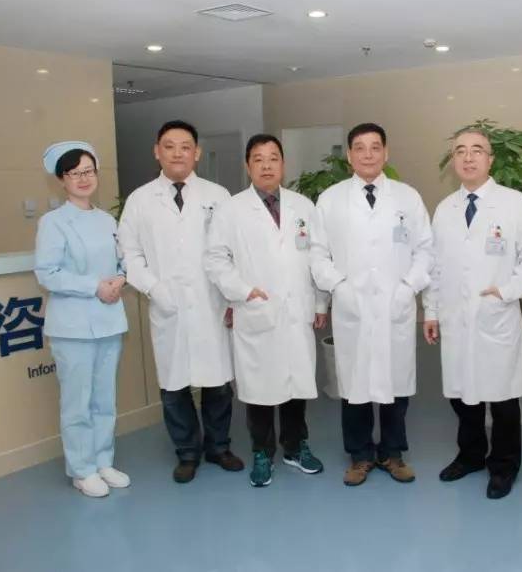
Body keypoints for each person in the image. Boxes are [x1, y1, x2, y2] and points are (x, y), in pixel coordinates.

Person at [423, 128, 522, 499]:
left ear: (490, 159)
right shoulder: (445, 209)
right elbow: (434, 267)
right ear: (453, 160)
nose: (468, 157)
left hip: (497, 315)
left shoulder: (513, 204)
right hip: (455, 317)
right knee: (462, 394)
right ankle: (471, 455)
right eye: (460, 151)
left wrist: (507, 291)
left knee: (503, 397)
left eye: (477, 150)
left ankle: (504, 465)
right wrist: (431, 311)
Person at [118, 120, 243, 483]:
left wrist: (232, 295)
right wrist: (154, 288)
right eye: (169, 146)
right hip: (167, 305)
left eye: (185, 147)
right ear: (157, 152)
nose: (177, 153)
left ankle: (218, 447)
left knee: (218, 383)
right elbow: (129, 254)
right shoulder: (140, 200)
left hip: (212, 302)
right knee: (174, 385)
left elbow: (234, 251)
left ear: (197, 153)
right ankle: (187, 452)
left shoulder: (218, 195)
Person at [310, 122, 433, 486]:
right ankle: (360, 456)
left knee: (396, 383)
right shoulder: (330, 199)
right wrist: (339, 287)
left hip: (396, 304)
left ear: (386, 153)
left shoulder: (407, 197)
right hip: (352, 306)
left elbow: (425, 249)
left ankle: (393, 454)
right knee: (355, 386)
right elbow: (317, 254)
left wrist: (408, 287)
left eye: (375, 147)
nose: (368, 154)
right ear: (349, 155)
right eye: (360, 148)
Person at [205, 134, 328, 487]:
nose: (267, 165)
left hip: (297, 310)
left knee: (296, 384)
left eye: (273, 158)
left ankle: (296, 447)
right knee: (259, 388)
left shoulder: (303, 206)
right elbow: (215, 259)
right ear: (248, 166)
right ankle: (262, 452)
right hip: (256, 308)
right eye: (258, 159)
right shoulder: (231, 210)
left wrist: (320, 302)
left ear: (283, 164)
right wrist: (243, 292)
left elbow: (318, 255)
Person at [34, 141, 129, 498]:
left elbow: (122, 261)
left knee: (105, 399)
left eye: (88, 171)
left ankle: (103, 460)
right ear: (62, 179)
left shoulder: (107, 220)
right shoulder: (53, 223)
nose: (83, 178)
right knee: (77, 402)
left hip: (109, 321)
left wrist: (120, 280)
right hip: (72, 326)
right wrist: (94, 287)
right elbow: (48, 273)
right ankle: (81, 468)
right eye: (75, 173)